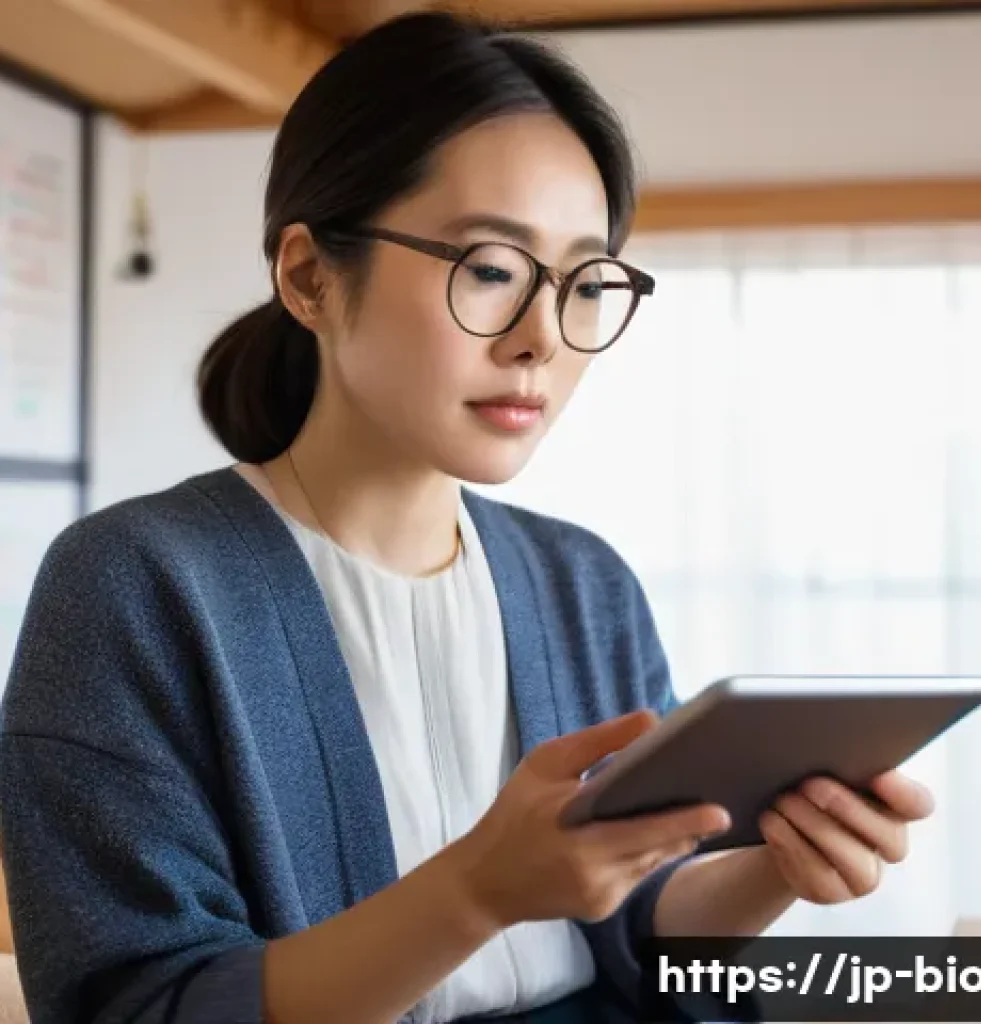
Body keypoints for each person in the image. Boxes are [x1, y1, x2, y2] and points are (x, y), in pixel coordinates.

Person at [0, 12, 934, 1024]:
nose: (543, 338)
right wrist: (478, 890)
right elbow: (138, 1003)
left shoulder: (582, 582)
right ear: (309, 275)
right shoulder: (135, 581)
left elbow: (636, 923)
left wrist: (778, 868)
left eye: (583, 281)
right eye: (491, 268)